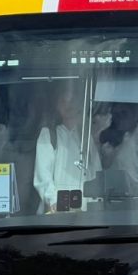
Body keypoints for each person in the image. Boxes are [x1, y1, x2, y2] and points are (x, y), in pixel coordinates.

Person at [33, 83, 107, 213]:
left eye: (73, 99)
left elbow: (97, 176)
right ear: (56, 104)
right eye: (63, 99)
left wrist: (97, 208)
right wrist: (55, 202)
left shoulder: (87, 137)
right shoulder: (49, 135)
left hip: (88, 216)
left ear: (81, 102)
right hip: (59, 216)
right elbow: (43, 178)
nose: (68, 103)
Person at [98, 103, 138, 196]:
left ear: (135, 115)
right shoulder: (105, 142)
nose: (119, 118)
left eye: (124, 113)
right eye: (116, 115)